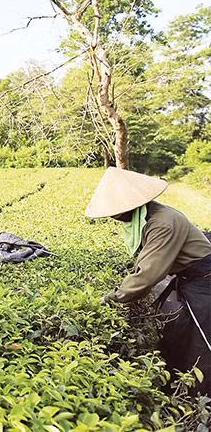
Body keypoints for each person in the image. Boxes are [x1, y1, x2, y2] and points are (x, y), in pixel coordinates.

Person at [86, 167, 211, 396]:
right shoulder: (150, 217)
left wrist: (113, 298)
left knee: (201, 341)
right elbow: (145, 261)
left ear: (130, 205)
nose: (113, 216)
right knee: (182, 334)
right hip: (190, 276)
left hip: (204, 280)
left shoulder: (162, 223)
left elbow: (148, 275)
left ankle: (201, 398)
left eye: (115, 210)